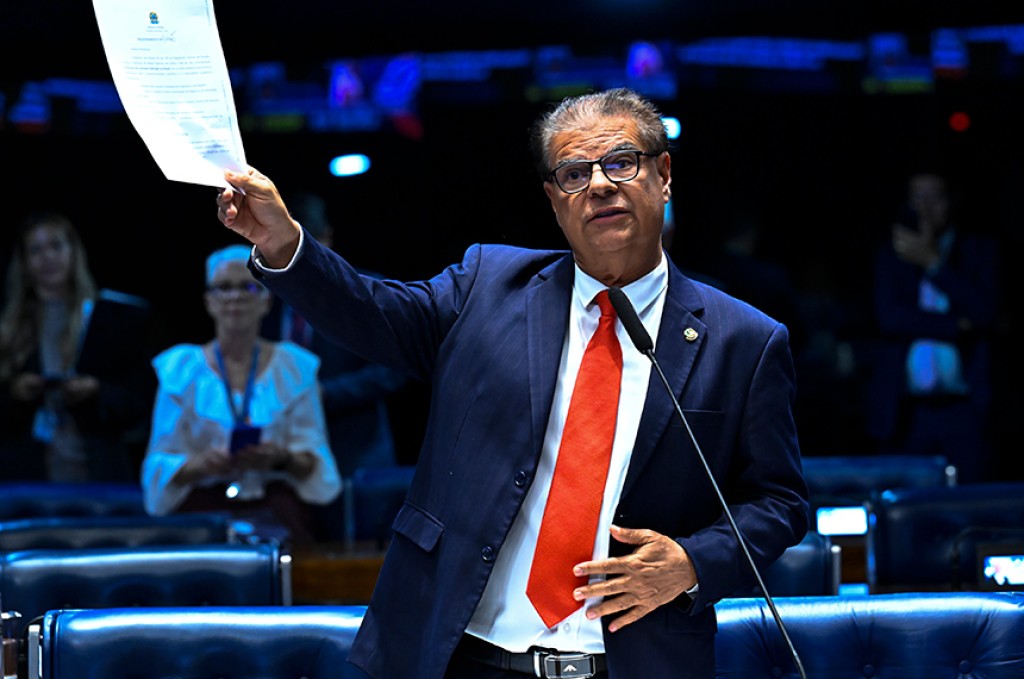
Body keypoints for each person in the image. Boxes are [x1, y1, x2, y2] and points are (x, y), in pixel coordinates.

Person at [215, 88, 808, 679]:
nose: (600, 185)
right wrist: (283, 242)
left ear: (664, 174)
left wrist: (692, 562)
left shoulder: (742, 341)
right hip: (464, 658)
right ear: (554, 200)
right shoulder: (488, 287)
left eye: (621, 162)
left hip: (636, 661)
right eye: (574, 173)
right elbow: (373, 312)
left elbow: (778, 502)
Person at [140, 245, 342, 546]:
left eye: (248, 287)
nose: (235, 297)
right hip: (204, 512)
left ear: (266, 300)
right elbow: (158, 466)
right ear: (209, 301)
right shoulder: (181, 371)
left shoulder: (293, 368)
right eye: (224, 287)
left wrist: (280, 459)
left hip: (275, 509)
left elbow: (316, 463)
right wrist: (202, 464)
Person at [260, 192, 408, 542]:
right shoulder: (265, 298)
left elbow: (393, 370)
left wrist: (325, 395)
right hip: (283, 461)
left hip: (354, 453)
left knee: (359, 557)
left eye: (304, 241)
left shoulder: (363, 288)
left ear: (326, 237)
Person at [867, 171, 1001, 483]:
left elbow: (986, 313)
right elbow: (890, 317)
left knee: (970, 498)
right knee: (905, 498)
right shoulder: (892, 255)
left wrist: (934, 264)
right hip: (906, 412)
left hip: (966, 410)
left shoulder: (980, 251)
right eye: (918, 197)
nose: (925, 207)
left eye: (935, 197)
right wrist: (958, 326)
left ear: (952, 201)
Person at [0, 210, 151, 482]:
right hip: (28, 474)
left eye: (56, 246)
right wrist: (16, 391)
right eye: (36, 250)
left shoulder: (105, 319)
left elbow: (137, 402)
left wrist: (95, 390)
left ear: (73, 251)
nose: (48, 257)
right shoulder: (10, 328)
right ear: (24, 261)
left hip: (99, 469)